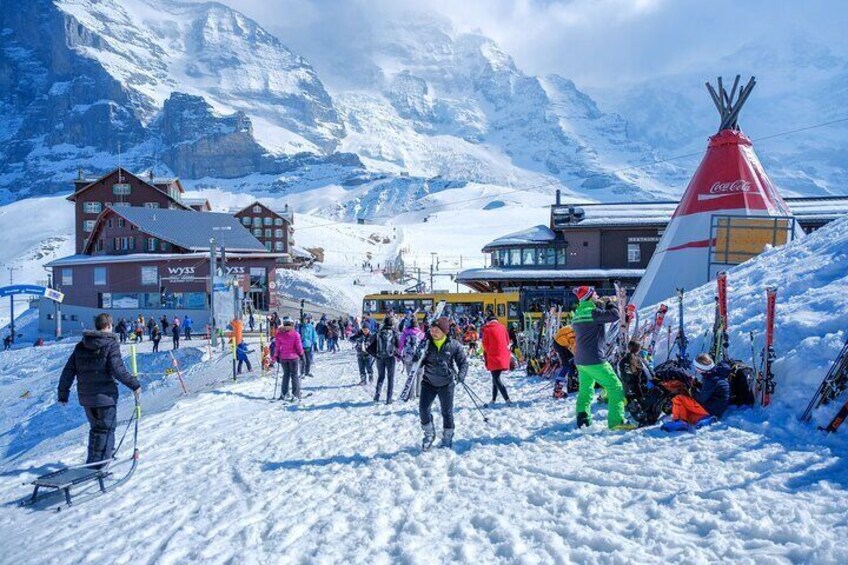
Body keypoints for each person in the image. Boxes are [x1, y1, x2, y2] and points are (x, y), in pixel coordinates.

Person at [58, 313, 141, 467]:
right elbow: (118, 369)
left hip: (86, 398)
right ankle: (100, 466)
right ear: (109, 326)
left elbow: (68, 371)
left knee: (96, 430)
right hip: (105, 397)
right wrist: (134, 384)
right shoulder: (110, 344)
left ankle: (93, 462)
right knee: (106, 430)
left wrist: (63, 394)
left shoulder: (81, 345)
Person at [571, 286, 634, 430]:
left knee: (585, 390)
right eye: (595, 294)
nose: (598, 295)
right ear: (589, 296)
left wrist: (599, 304)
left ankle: (583, 419)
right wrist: (610, 302)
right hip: (595, 359)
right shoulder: (593, 313)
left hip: (581, 360)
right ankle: (616, 422)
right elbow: (614, 315)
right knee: (615, 387)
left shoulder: (578, 313)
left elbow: (592, 322)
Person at [417, 317, 468, 450]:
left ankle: (447, 438)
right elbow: (419, 362)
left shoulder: (454, 345)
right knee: (423, 409)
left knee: (447, 412)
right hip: (428, 382)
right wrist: (418, 356)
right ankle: (429, 435)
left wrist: (461, 375)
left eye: (436, 330)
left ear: (444, 331)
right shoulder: (427, 344)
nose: (433, 332)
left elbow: (463, 363)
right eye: (432, 329)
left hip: (446, 384)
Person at [663, 353, 731, 432]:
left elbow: (701, 399)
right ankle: (704, 419)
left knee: (679, 399)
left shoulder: (709, 380)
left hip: (712, 409)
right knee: (688, 409)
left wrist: (693, 391)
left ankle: (680, 422)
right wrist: (699, 385)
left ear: (700, 368)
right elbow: (711, 390)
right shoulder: (718, 372)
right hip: (720, 406)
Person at [481, 312, 512, 406]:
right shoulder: (503, 327)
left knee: (496, 379)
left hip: (493, 357)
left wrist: (490, 351)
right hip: (504, 356)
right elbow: (507, 342)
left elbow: (484, 344)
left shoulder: (487, 329)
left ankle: (507, 400)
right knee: (495, 378)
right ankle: (493, 399)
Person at [368, 317, 400, 404]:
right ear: (392, 324)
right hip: (390, 357)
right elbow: (398, 345)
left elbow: (370, 344)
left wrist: (376, 354)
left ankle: (377, 395)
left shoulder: (378, 332)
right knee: (390, 378)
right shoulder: (393, 332)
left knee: (381, 377)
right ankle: (388, 399)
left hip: (379, 358)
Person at [274, 317, 305, 401]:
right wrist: (302, 354)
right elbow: (298, 346)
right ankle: (295, 394)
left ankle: (284, 393)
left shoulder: (279, 334)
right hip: (293, 357)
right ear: (292, 325)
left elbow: (277, 346)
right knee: (294, 375)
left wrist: (276, 355)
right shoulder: (295, 334)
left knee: (286, 375)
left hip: (283, 357)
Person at [400, 318, 425, 398]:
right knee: (420, 374)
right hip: (418, 357)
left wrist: (399, 354)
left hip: (408, 357)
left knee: (410, 376)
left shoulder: (405, 332)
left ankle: (411, 395)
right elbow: (424, 345)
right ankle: (419, 393)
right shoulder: (421, 333)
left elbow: (401, 344)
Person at [553, 324, 577, 397]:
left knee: (571, 362)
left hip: (561, 342)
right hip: (559, 344)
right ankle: (557, 390)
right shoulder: (576, 332)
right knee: (566, 366)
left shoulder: (577, 327)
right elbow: (573, 345)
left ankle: (572, 383)